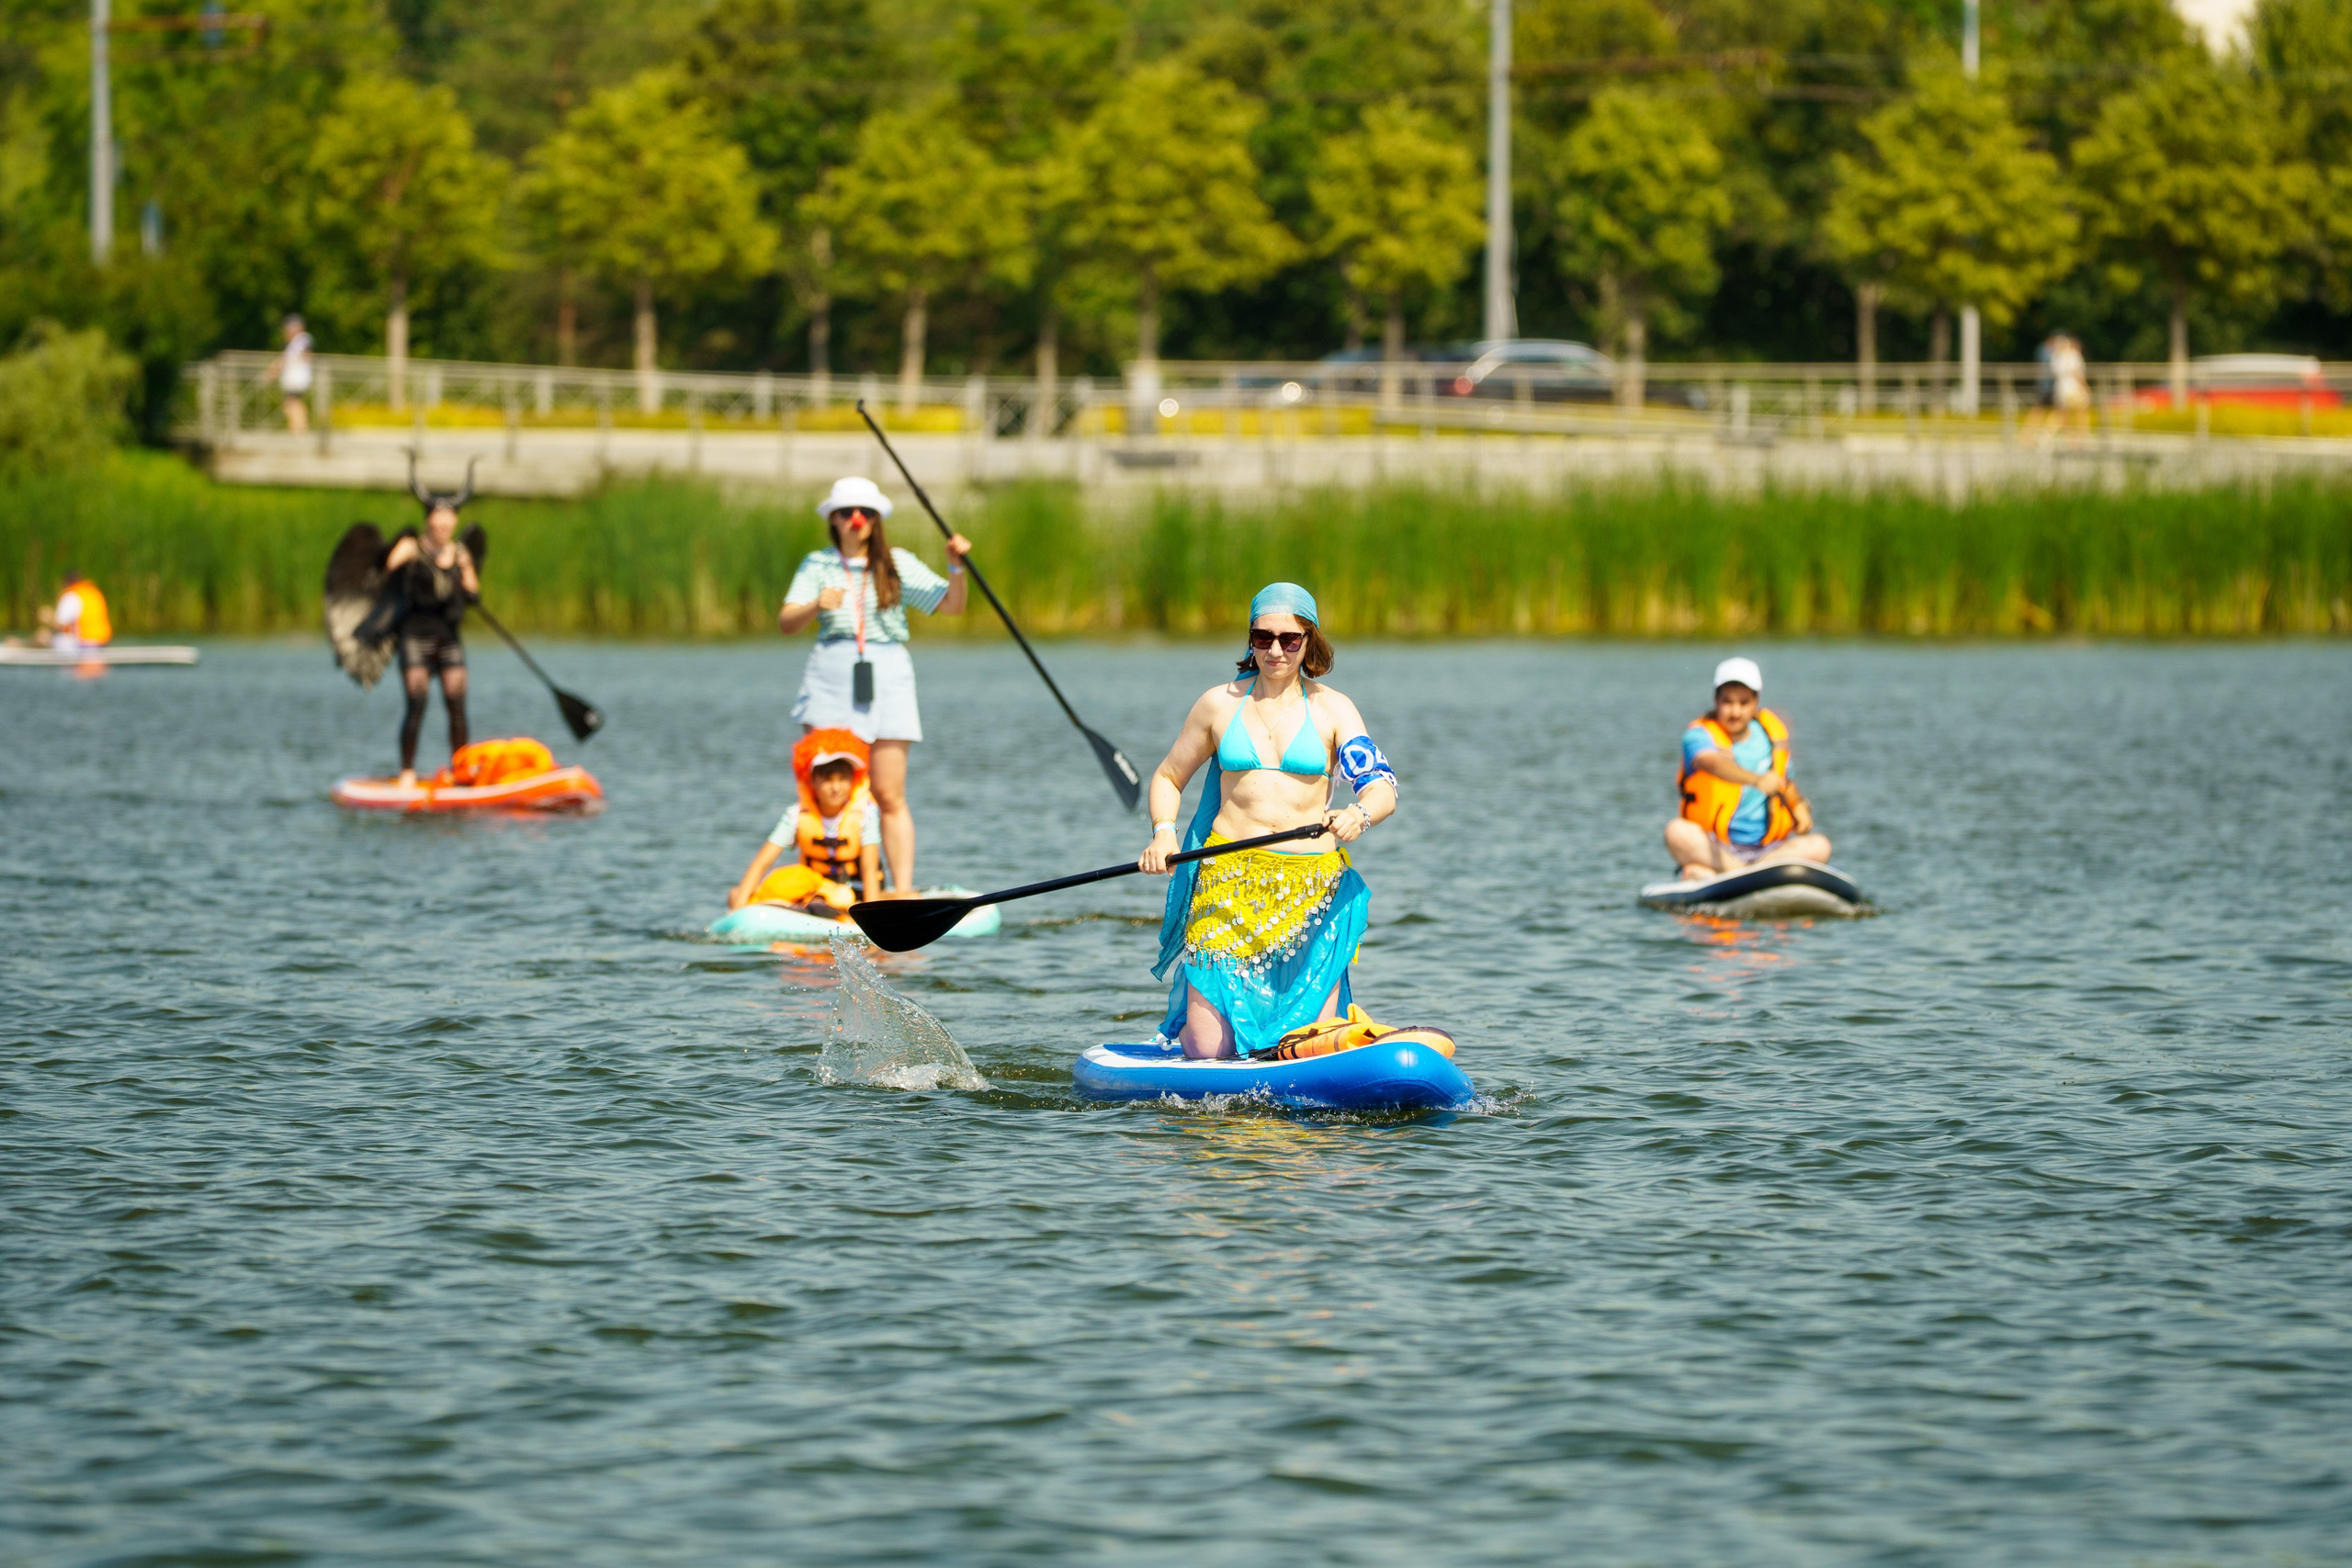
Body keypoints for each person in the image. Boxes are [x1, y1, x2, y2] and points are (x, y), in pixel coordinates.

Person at [1136, 583, 1401, 1060]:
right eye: (1263, 637)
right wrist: (1163, 832)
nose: (1276, 649)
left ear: (1309, 641)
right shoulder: (1218, 704)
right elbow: (1168, 777)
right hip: (1226, 886)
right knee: (1204, 1047)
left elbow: (1382, 787)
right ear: (1250, 640)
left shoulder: (1333, 708)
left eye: (1290, 639)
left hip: (1313, 894)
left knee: (1309, 1047)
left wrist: (1360, 814)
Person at [777, 477, 970, 897]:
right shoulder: (817, 564)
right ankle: (822, 886)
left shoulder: (896, 562)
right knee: (828, 790)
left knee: (887, 792)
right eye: (845, 513)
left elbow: (952, 605)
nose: (855, 520)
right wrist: (815, 605)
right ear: (834, 519)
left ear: (876, 520)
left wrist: (956, 567)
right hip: (831, 674)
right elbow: (787, 621)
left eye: (864, 513)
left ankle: (900, 890)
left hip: (887, 674)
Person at [1665, 656, 1832, 881]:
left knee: (1820, 845)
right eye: (1728, 702)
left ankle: (1727, 875)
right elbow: (1712, 763)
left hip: (1768, 850)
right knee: (1676, 832)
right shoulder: (1698, 735)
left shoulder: (1772, 737)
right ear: (1716, 700)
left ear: (1756, 703)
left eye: (1743, 703)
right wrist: (1755, 780)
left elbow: (1785, 783)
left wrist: (1799, 805)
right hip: (1717, 846)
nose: (1735, 712)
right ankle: (1751, 876)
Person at [381, 488, 481, 786]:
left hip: (448, 637)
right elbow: (385, 569)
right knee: (417, 702)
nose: (444, 524)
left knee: (457, 703)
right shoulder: (413, 548)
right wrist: (402, 551)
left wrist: (465, 571)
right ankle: (407, 773)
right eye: (438, 518)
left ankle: (461, 769)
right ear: (428, 520)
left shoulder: (461, 552)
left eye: (449, 518)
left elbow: (474, 592)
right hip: (415, 638)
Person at [728, 728, 885, 916]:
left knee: (897, 898)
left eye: (843, 779)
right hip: (813, 889)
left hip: (856, 893)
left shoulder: (866, 813)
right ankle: (811, 907)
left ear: (853, 780)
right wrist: (739, 908)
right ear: (812, 781)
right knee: (736, 894)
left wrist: (873, 915)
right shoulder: (796, 815)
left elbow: (869, 868)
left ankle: (829, 910)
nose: (836, 788)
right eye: (827, 780)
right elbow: (761, 863)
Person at [38, 572, 112, 651]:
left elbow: (60, 624)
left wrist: (48, 618)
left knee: (44, 637)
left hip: (84, 644)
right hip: (103, 642)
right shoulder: (94, 593)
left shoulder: (70, 596)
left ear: (66, 582)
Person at [266, 314, 313, 434]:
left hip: (297, 378)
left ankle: (299, 429)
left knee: (293, 402)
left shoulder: (302, 339)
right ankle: (297, 428)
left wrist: (273, 371)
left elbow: (289, 359)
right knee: (291, 402)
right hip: (294, 378)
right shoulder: (296, 342)